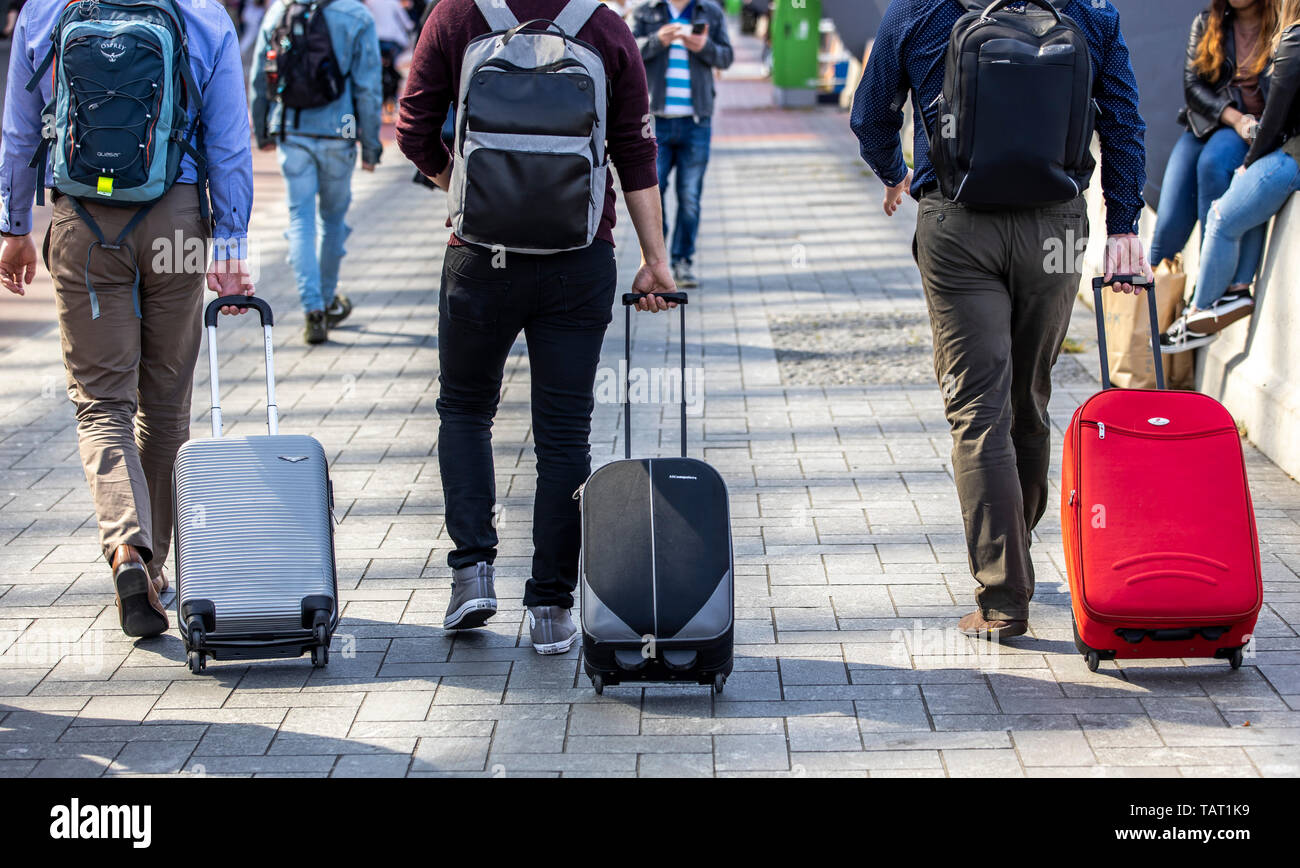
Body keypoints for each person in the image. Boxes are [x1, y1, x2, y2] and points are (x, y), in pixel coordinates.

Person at [851, 0, 1152, 642]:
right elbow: (1123, 120)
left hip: (957, 225)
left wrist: (896, 173)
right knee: (1029, 400)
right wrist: (1123, 224)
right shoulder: (1088, 12)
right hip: (1059, 229)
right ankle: (1016, 549)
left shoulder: (919, 10)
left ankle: (1001, 595)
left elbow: (870, 115)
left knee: (976, 411)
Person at [397, 0, 678, 655]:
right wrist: (655, 262)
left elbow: (412, 127)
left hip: (479, 258)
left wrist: (464, 189)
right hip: (576, 261)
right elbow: (636, 151)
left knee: (465, 410)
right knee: (564, 437)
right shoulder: (604, 28)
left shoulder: (456, 14)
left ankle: (472, 573)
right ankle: (551, 606)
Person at [0, 0, 255, 638]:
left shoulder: (44, 12)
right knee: (166, 402)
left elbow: (19, 128)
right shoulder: (202, 15)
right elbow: (228, 138)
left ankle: (126, 549)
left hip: (82, 223)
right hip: (178, 222)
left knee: (100, 403)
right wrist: (229, 244)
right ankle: (156, 565)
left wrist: (13, 226)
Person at [1166, 0, 1300, 352]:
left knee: (1222, 213)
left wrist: (1251, 160)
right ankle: (1234, 291)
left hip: (1284, 147)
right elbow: (1193, 86)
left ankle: (1199, 311)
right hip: (1219, 125)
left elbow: (1276, 114)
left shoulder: (1291, 38)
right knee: (1193, 214)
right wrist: (1238, 124)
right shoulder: (1210, 23)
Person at [250, 0, 384, 345]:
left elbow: (258, 77)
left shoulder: (281, 8)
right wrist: (370, 145)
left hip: (292, 131)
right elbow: (368, 88)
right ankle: (326, 299)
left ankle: (313, 309)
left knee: (300, 220)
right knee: (333, 220)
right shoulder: (356, 15)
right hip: (339, 131)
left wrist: (264, 129)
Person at [632, 0, 733, 289]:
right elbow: (628, 53)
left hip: (696, 120)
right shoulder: (647, 11)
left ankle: (683, 261)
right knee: (654, 196)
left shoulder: (709, 11)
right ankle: (655, 262)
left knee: (690, 198)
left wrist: (704, 47)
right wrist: (657, 40)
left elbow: (726, 57)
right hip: (655, 122)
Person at [367, 0, 413, 116]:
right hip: (393, 42)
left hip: (376, 40)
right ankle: (392, 99)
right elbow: (408, 24)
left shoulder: (369, 3)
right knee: (393, 69)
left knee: (375, 70)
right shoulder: (393, 3)